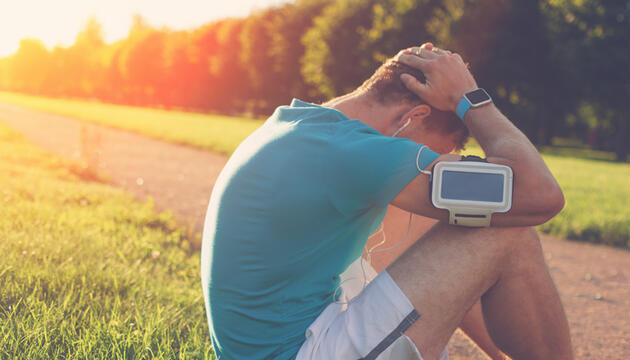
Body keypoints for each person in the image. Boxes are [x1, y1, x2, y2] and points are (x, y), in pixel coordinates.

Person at [200, 43, 573, 360]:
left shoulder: (304, 128)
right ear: (414, 117)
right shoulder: (356, 154)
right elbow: (538, 195)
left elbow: (454, 258)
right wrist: (470, 100)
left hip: (281, 345)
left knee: (466, 218)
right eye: (434, 154)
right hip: (299, 351)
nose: (429, 160)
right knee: (507, 231)